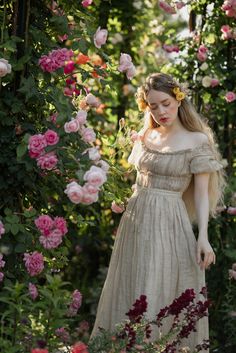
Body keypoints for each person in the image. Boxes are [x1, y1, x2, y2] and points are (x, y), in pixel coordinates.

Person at [89, 73, 226, 351]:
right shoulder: (146, 135)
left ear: (178, 99)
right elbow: (135, 180)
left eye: (165, 103)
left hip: (171, 222)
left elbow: (201, 194)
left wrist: (203, 236)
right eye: (153, 106)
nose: (161, 111)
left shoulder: (196, 140)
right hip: (136, 221)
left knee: (162, 286)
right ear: (146, 107)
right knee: (133, 284)